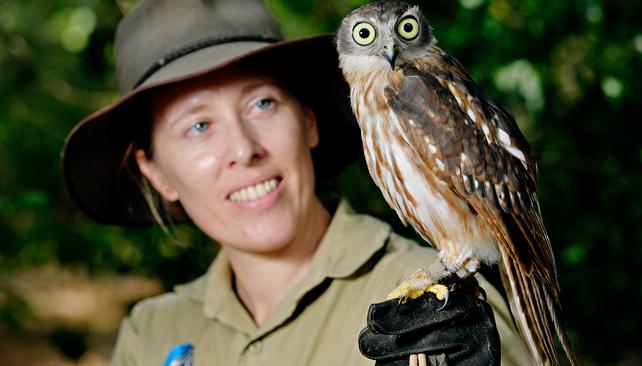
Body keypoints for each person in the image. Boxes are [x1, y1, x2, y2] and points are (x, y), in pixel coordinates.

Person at [62, 0, 532, 365]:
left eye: (262, 104)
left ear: (309, 122)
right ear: (157, 173)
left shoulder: (437, 302)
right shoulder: (151, 332)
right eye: (198, 126)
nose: (244, 149)